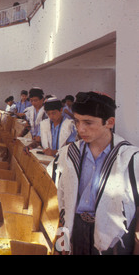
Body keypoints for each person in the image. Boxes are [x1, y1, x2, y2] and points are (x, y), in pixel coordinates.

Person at [49, 91, 139, 255]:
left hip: (113, 236)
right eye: (77, 121)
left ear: (109, 122)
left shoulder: (130, 158)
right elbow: (62, 204)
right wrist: (61, 245)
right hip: (76, 230)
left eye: (88, 123)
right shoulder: (68, 154)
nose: (80, 129)